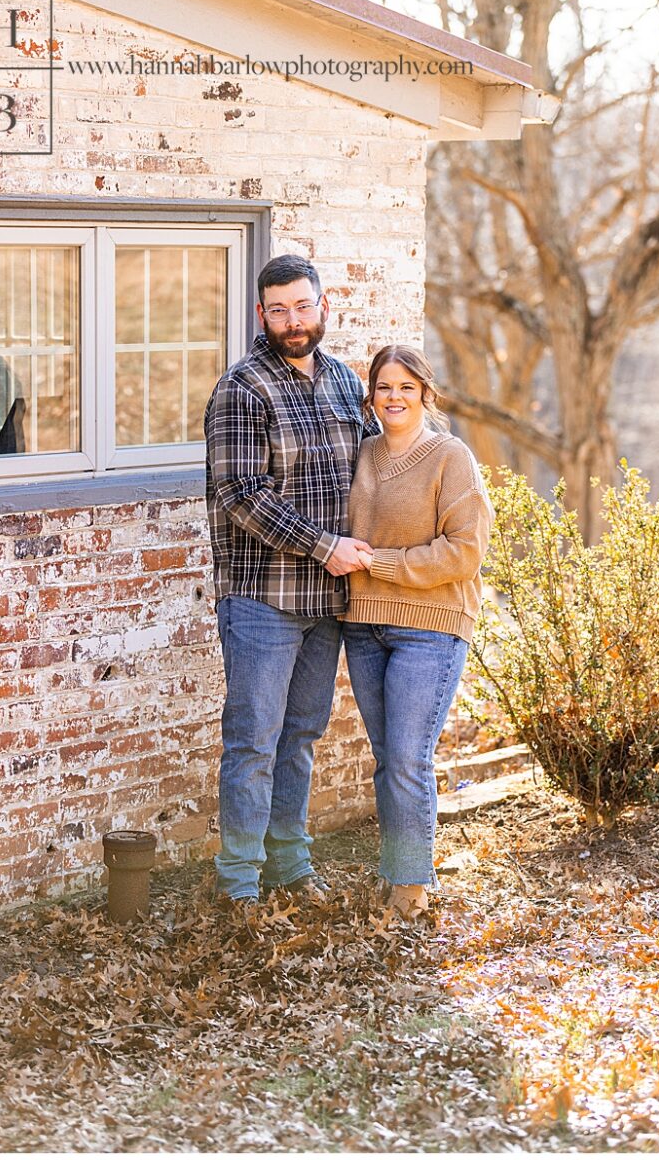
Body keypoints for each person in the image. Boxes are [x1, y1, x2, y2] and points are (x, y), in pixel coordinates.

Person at [203, 255, 376, 911]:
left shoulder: (342, 383)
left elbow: (372, 470)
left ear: (323, 306)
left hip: (327, 603)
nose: (293, 321)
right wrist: (325, 546)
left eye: (303, 307)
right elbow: (242, 494)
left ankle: (290, 868)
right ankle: (239, 886)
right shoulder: (241, 390)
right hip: (263, 601)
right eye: (279, 310)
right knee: (253, 743)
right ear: (261, 315)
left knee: (300, 737)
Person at [342, 345, 492, 919]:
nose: (395, 397)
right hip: (363, 626)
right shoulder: (363, 455)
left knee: (408, 757)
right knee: (388, 757)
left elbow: (465, 552)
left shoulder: (450, 457)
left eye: (406, 386)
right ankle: (395, 871)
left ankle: (410, 887)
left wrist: (380, 563)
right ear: (371, 397)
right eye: (384, 387)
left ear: (425, 392)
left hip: (430, 628)